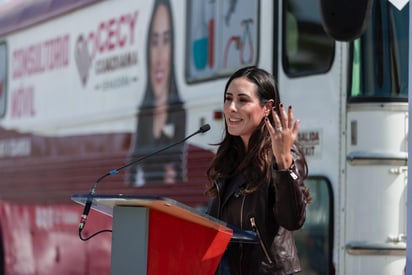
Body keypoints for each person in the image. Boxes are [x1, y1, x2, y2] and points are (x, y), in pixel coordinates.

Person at [206, 66, 312, 274]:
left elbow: (293, 219)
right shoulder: (227, 158)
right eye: (228, 98)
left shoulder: (284, 153)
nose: (231, 108)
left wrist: (284, 164)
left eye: (242, 100)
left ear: (267, 107)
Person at [128, 0, 186, 186]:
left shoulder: (181, 116)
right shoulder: (142, 118)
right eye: (154, 42)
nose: (159, 56)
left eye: (166, 40)